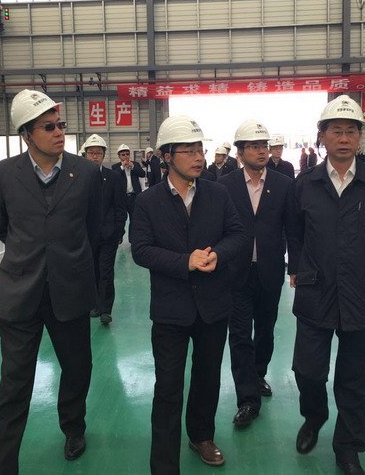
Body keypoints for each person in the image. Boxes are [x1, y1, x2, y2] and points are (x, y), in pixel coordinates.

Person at [0, 89, 102, 474]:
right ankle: (3, 465)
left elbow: (93, 227)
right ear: (26, 135)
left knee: (77, 368)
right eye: (48, 127)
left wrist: (66, 258)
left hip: (71, 290)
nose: (59, 133)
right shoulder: (4, 174)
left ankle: (73, 428)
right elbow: (2, 226)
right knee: (13, 384)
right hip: (21, 293)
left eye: (60, 125)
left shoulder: (86, 173)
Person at [130, 116, 247, 474]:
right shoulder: (148, 201)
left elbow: (238, 234)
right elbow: (141, 250)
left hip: (213, 305)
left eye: (200, 149)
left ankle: (201, 436)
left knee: (207, 378)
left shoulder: (218, 194)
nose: (198, 157)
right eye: (189, 150)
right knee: (168, 387)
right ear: (167, 156)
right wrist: (185, 262)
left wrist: (218, 255)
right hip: (171, 309)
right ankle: (164, 464)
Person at [290, 95, 365, 475]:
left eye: (351, 131)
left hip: (362, 293)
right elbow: (295, 234)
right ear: (322, 136)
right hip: (315, 291)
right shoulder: (305, 185)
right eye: (336, 131)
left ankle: (348, 448)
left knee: (354, 379)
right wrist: (300, 269)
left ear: (360, 137)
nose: (344, 138)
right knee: (308, 370)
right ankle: (314, 415)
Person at [218, 120, 297, 429]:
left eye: (264, 145)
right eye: (254, 146)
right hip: (235, 272)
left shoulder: (284, 184)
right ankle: (247, 399)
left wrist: (296, 267)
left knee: (265, 329)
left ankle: (258, 373)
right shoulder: (225, 186)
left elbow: (293, 229)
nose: (262, 151)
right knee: (239, 334)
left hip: (270, 270)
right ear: (240, 153)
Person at [83, 134, 127, 325]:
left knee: (106, 271)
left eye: (98, 153)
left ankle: (106, 309)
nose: (95, 156)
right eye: (91, 153)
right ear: (85, 154)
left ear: (103, 155)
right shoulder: (78, 178)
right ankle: (94, 304)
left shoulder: (114, 177)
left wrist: (119, 231)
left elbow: (120, 207)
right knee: (92, 271)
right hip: (86, 236)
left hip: (108, 235)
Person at [112, 144, 146, 224]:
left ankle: (132, 233)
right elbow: (113, 177)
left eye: (127, 154)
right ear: (119, 156)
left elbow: (142, 174)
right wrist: (122, 167)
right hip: (122, 197)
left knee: (134, 220)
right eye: (123, 155)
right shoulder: (115, 166)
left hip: (134, 196)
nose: (125, 156)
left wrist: (133, 167)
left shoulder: (135, 164)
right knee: (121, 219)